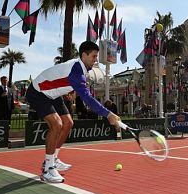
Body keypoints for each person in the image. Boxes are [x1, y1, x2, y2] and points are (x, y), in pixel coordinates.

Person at [25, 41, 123, 183]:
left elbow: (62, 78)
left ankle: (54, 158)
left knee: (68, 123)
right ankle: (48, 169)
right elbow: (88, 99)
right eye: (94, 57)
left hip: (53, 94)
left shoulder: (79, 67)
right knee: (56, 124)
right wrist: (108, 114)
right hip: (38, 92)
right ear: (84, 55)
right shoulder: (76, 71)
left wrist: (69, 89)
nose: (95, 60)